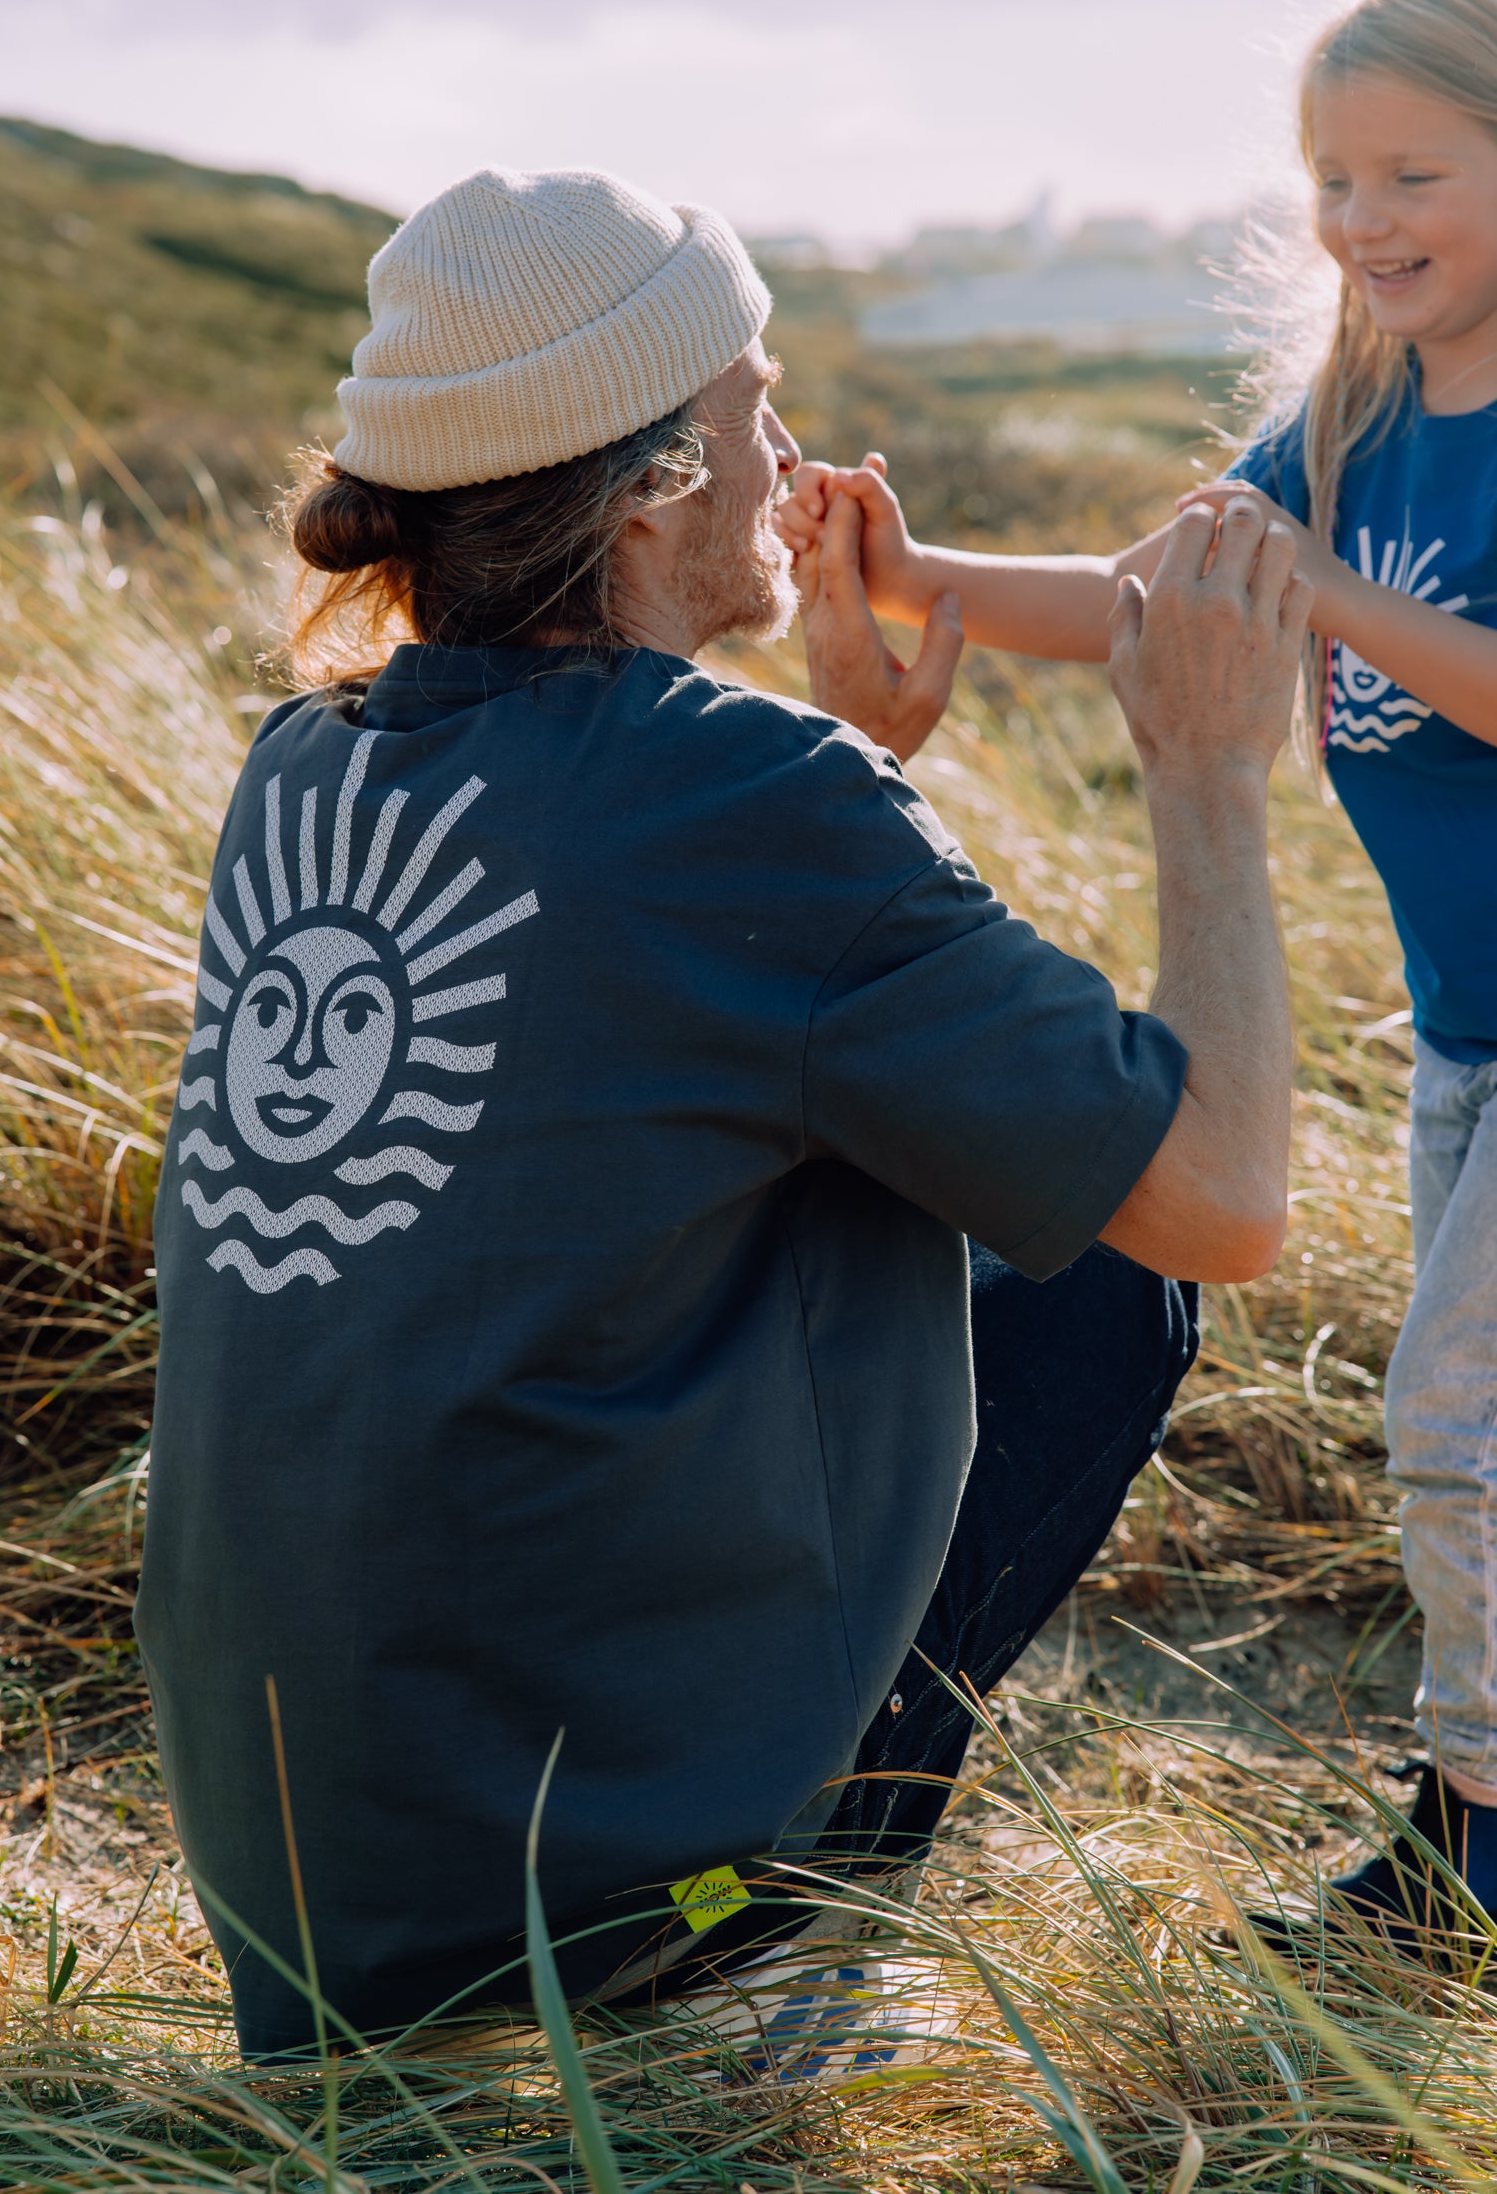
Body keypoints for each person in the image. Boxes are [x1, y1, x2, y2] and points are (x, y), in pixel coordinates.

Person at [135, 164, 1308, 2062]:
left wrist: (854, 768)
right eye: (759, 403)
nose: (794, 455)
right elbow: (1222, 1199)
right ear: (660, 474)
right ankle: (765, 1956)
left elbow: (656, 999)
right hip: (586, 1936)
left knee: (895, 1186)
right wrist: (1205, 765)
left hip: (314, 1904)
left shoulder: (303, 767)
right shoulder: (751, 802)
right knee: (1105, 1275)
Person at [781, 0, 1497, 1956]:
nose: (1362, 221)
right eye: (1332, 179)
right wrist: (909, 575)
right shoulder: (1348, 423)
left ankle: (1472, 1860)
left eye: (1415, 174)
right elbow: (1143, 601)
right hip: (1467, 1044)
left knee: (1459, 1433)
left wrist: (1324, 597)